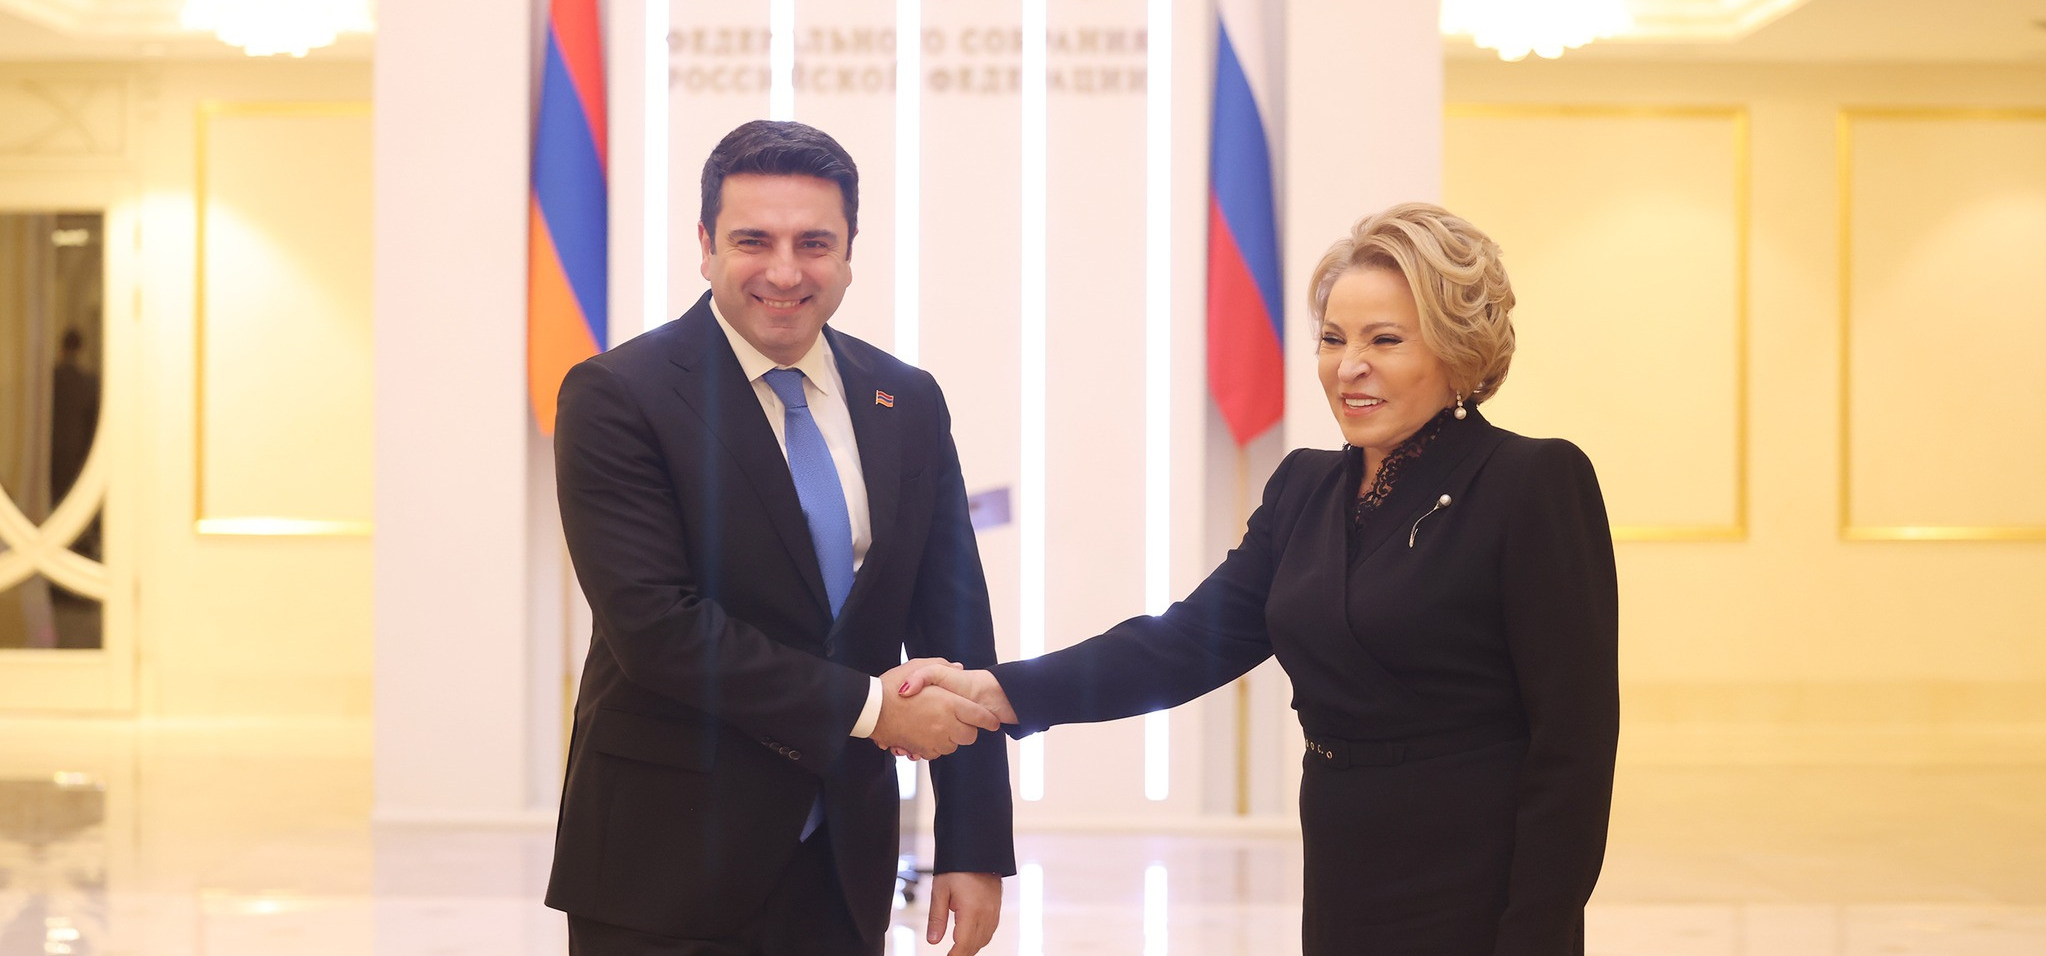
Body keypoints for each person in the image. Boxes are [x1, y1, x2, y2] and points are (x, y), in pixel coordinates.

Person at [903, 203, 1619, 956]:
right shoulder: (1305, 488)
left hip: (1480, 881)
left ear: (1456, 349)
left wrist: (1536, 932)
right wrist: (1001, 690)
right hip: (1345, 870)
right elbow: (1184, 645)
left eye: (1385, 340)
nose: (1349, 366)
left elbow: (1573, 747)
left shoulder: (1532, 481)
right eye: (1333, 339)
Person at [547, 120, 1014, 956]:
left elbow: (956, 630)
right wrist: (873, 710)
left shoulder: (907, 400)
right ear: (705, 245)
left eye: (814, 243)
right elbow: (658, 629)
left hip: (843, 862)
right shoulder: (618, 395)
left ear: (849, 251)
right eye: (753, 240)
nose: (786, 271)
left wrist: (973, 842)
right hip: (663, 860)